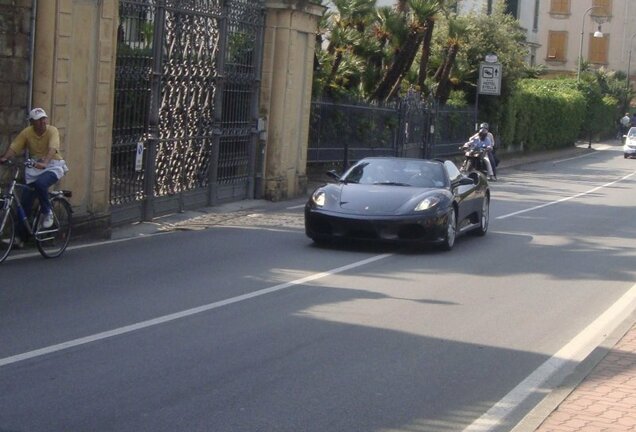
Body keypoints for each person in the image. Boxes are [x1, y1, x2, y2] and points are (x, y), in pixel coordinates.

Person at [0, 108, 69, 247]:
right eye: (39, 120)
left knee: (41, 184)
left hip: (52, 166)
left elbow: (52, 148)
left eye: (44, 118)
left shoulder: (52, 130)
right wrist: (4, 158)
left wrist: (45, 162)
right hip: (34, 169)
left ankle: (47, 212)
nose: (43, 122)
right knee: (24, 202)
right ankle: (19, 238)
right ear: (32, 122)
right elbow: (15, 146)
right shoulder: (27, 133)